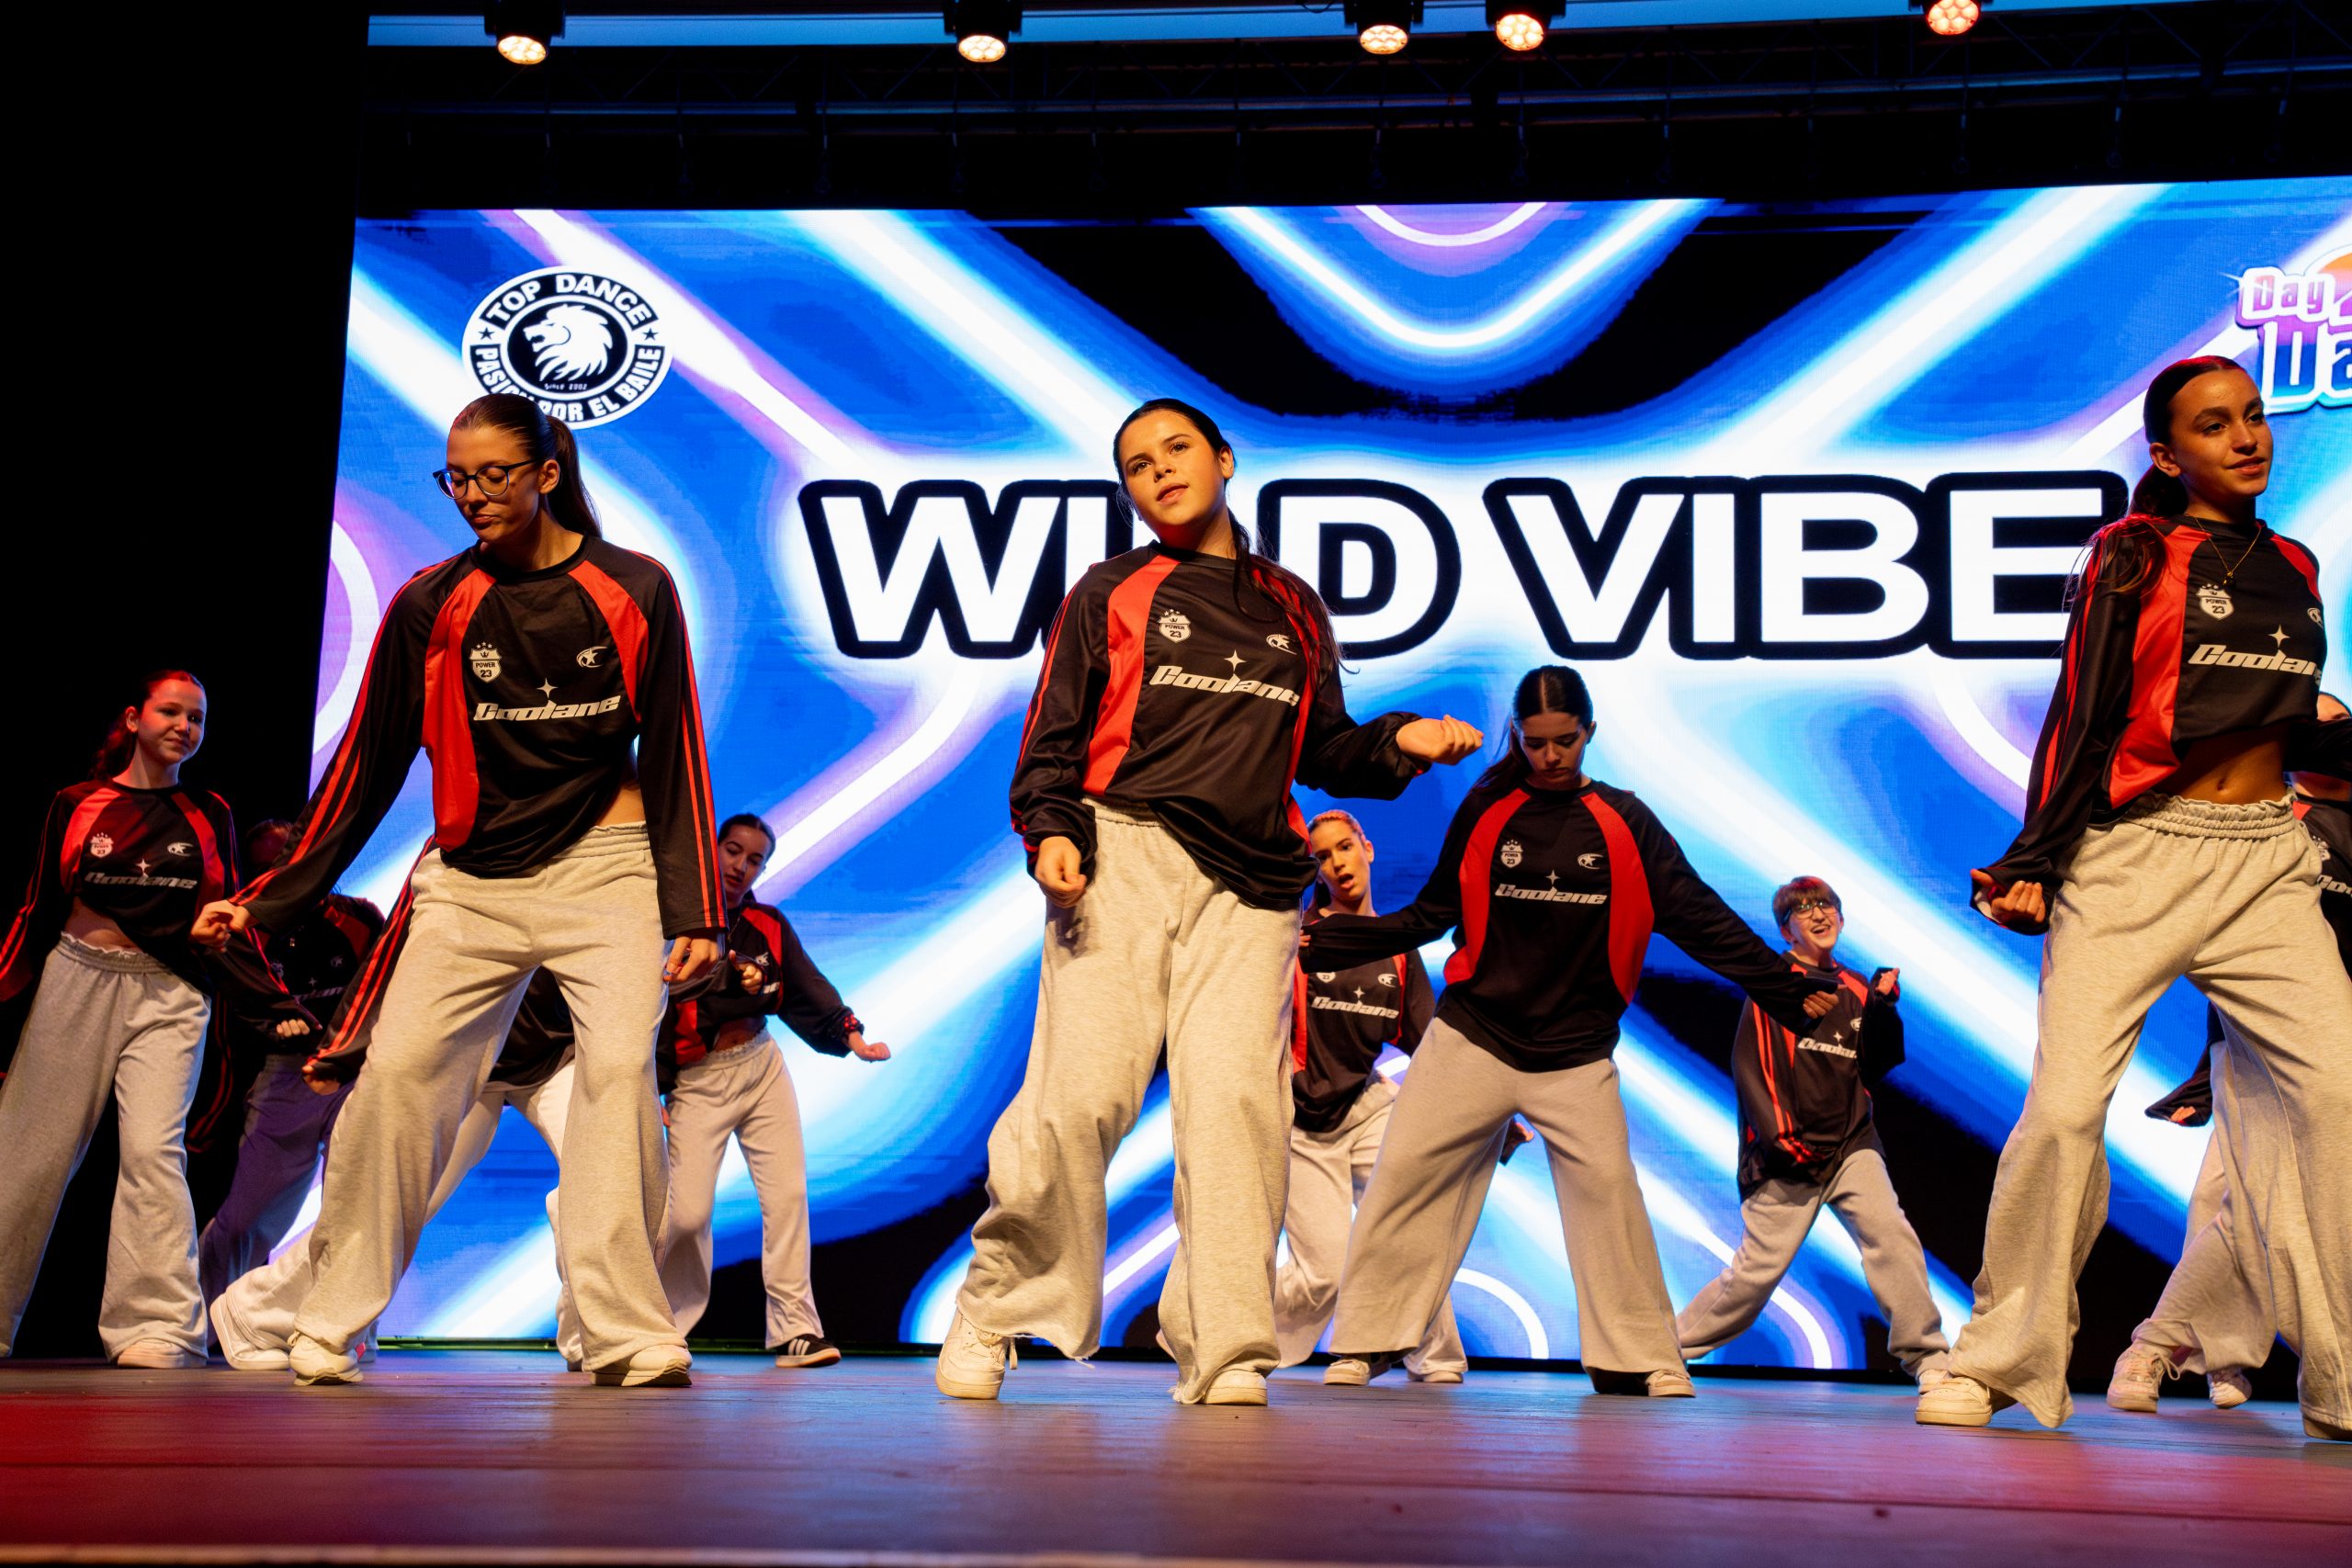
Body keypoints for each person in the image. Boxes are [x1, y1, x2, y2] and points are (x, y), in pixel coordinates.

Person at [934, 397, 1485, 1408]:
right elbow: (1053, 733)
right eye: (1138, 464)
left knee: (1236, 1113)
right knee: (1077, 1101)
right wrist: (1051, 829)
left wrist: (1398, 741)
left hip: (1255, 889)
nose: (1160, 470)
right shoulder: (1110, 590)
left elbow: (1322, 745)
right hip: (1124, 855)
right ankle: (998, 1310)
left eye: (1177, 448)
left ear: (1224, 460)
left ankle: (1226, 1347)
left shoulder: (1292, 604)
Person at [191, 393, 727, 1389]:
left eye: (493, 475)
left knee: (619, 1082)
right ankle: (328, 1317)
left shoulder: (635, 586)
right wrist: (271, 899)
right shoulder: (430, 604)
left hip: (607, 872)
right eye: (457, 478)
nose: (472, 494)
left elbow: (675, 751)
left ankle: (628, 1332)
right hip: (473, 885)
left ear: (547, 474)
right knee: (396, 1084)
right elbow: (365, 764)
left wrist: (697, 909)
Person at [1921, 357, 2351, 1439]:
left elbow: (2279, 719)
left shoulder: (2294, 563)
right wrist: (2033, 859)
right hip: (2136, 856)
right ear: (2166, 453)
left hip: (2266, 858)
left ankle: (2342, 1378)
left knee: (2339, 1096)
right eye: (2213, 426)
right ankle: (1997, 1360)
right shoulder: (2132, 551)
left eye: (2251, 417)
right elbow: (2083, 710)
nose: (2246, 437)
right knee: (2065, 1110)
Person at [1306, 666, 1832, 1396]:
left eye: (1566, 740)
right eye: (1535, 742)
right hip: (1474, 1036)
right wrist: (1335, 942)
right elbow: (1431, 913)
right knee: (1403, 1179)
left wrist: (1782, 986)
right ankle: (1365, 1343)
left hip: (1576, 1053)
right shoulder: (1488, 807)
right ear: (1516, 735)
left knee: (1610, 1197)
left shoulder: (1626, 821)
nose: (1550, 755)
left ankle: (1639, 1356)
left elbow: (1700, 917)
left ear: (1590, 732)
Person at [0, 671, 311, 1366]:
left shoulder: (208, 811)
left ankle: (157, 1326)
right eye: (171, 712)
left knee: (153, 1153)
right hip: (77, 978)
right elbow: (38, 907)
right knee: (28, 1152)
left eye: (197, 718)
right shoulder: (77, 803)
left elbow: (225, 920)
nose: (184, 727)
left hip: (170, 994)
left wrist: (275, 1004)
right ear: (134, 718)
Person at [2109, 690, 2352, 1416]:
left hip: (2332, 1053)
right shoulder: (2265, 825)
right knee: (2234, 1204)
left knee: (2260, 1210)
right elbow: (2229, 961)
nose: (2319, 738)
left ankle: (2169, 1348)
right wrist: (2204, 1068)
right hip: (2253, 1052)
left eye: (2335, 726)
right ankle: (2189, 1352)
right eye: (2306, 725)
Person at [210, 964, 585, 1371]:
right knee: (397, 1207)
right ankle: (252, 1312)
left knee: (604, 1177)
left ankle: (591, 1332)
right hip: (460, 1048)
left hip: (554, 1048)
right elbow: (389, 956)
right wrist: (341, 1050)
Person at [1673, 875, 1949, 1383]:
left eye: (1826, 905)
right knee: (1755, 1275)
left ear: (1841, 917)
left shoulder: (1856, 987)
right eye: (1803, 909)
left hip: (1851, 1144)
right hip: (1789, 1150)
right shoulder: (1776, 983)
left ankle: (1929, 1358)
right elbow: (1752, 1065)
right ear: (1786, 931)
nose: (1819, 914)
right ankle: (1665, 1349)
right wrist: (1781, 1139)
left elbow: (1876, 1063)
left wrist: (1884, 1009)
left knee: (1893, 1239)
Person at [656, 812, 889, 1370]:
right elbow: (651, 1014)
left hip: (760, 1068)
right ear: (711, 850)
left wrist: (852, 1037)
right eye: (733, 851)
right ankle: (661, 1331)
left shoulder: (767, 924)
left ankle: (795, 1331)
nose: (741, 865)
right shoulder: (671, 925)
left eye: (755, 859)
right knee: (685, 1216)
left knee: (787, 1198)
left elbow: (807, 988)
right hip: (698, 1081)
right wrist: (654, 1087)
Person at [1277, 808, 1465, 1384]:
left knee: (1410, 1226)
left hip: (1364, 1107)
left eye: (1344, 847)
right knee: (1324, 1273)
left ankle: (1433, 1357)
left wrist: (1492, 1114)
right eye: (1322, 857)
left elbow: (1431, 1044)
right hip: (1300, 1122)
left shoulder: (1398, 951)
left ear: (1368, 849)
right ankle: (1219, 1329)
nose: (1337, 863)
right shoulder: (1297, 940)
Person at [196, 818, 385, 1310]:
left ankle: (346, 1326)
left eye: (290, 861)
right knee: (244, 1218)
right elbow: (234, 1016)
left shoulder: (360, 917)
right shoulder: (242, 933)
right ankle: (198, 1323)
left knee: (356, 1212)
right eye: (267, 866)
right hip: (286, 1077)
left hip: (355, 1073)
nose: (282, 873)